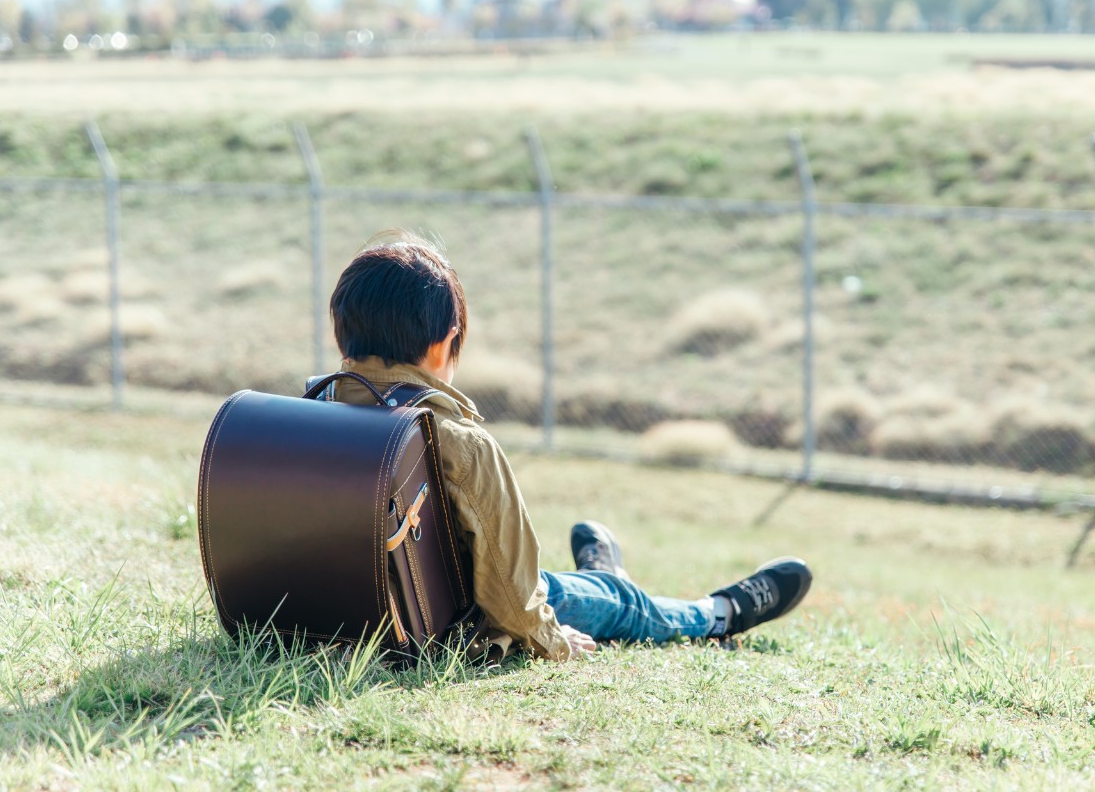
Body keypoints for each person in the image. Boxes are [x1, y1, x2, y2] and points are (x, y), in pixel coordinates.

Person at [326, 233, 812, 661]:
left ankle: (606, 575)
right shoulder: (458, 442)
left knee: (594, 591)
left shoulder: (306, 421)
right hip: (456, 628)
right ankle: (719, 613)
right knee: (617, 604)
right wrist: (553, 641)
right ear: (444, 344)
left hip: (334, 622)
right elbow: (513, 596)